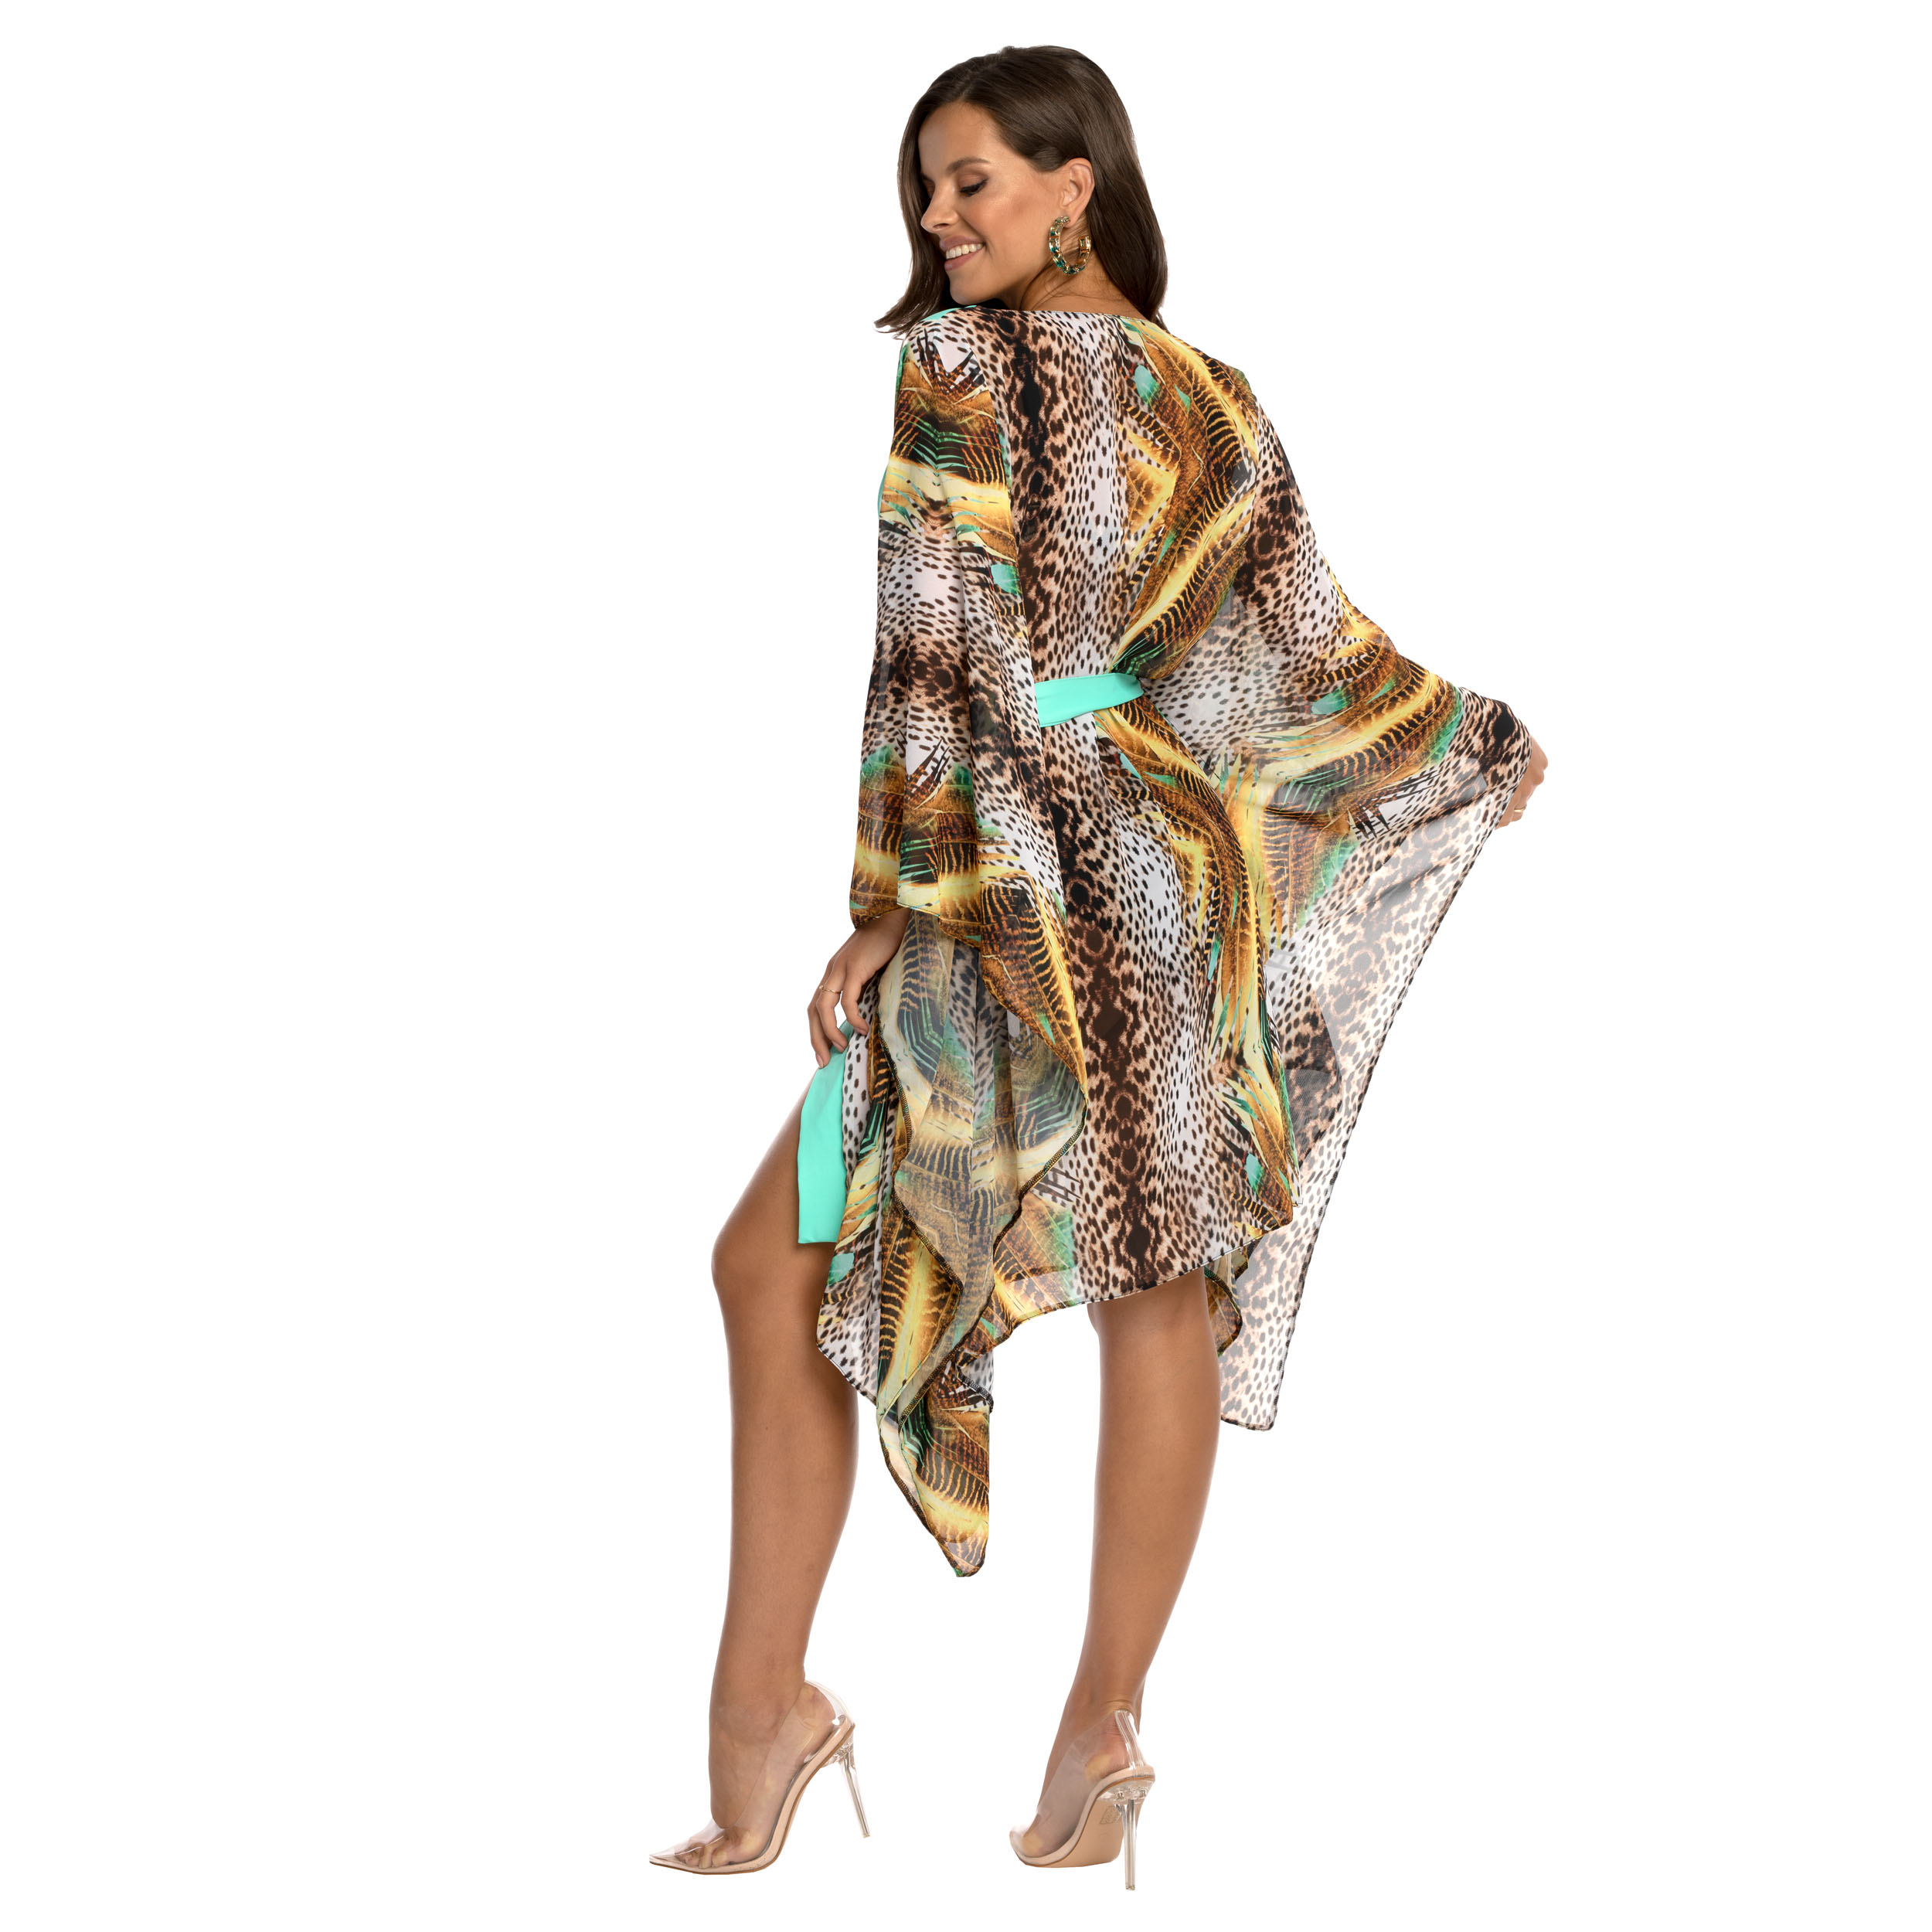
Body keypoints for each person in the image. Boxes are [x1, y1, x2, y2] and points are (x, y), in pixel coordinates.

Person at [651, 43, 1549, 1886]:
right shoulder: (1211, 396)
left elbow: (922, 658)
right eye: (923, 185)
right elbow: (1309, 654)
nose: (936, 214)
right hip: (1155, 890)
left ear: (1076, 184)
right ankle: (1100, 1724)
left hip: (997, 885)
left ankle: (762, 1709)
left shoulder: (958, 367)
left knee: (778, 1258)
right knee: (1150, 1289)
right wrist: (1461, 737)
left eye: (969, 178)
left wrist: (883, 900)